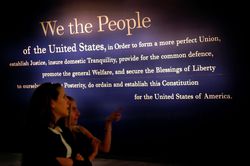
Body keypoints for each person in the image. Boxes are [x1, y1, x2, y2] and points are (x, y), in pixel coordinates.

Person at [22, 82, 91, 166]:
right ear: (52, 103)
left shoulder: (64, 131)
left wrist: (72, 162)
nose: (68, 102)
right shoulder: (38, 135)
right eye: (64, 97)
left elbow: (85, 161)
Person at [65, 95, 122, 161]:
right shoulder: (58, 134)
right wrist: (93, 154)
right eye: (73, 109)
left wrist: (108, 122)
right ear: (65, 110)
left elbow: (104, 148)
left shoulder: (80, 129)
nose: (78, 113)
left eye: (77, 109)